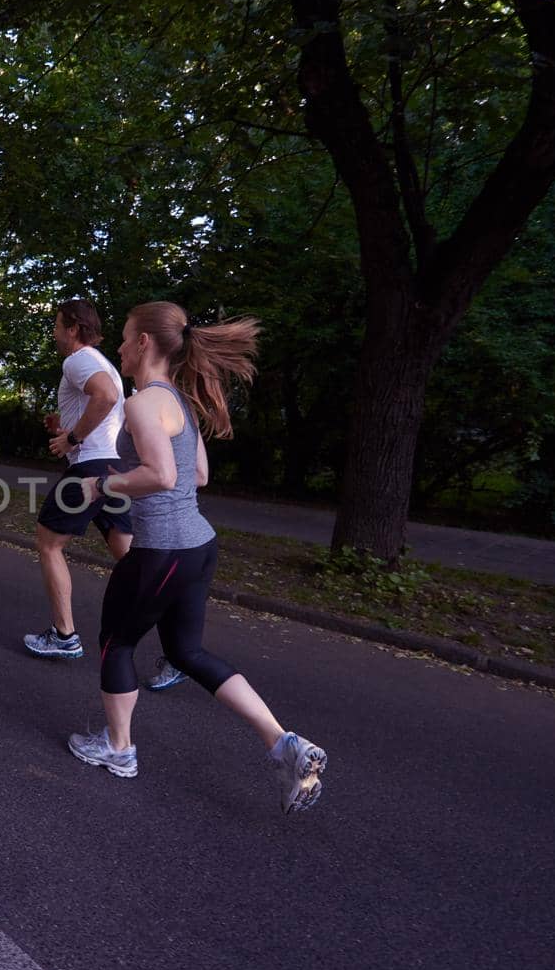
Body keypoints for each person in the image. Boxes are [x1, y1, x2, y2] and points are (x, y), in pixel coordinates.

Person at [64, 301, 327, 814]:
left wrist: (103, 483)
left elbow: (161, 476)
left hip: (161, 551)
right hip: (199, 546)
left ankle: (118, 750)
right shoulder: (179, 401)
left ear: (143, 343)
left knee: (116, 643)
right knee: (186, 652)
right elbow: (199, 475)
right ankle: (284, 743)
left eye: (123, 337)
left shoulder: (142, 404)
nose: (117, 347)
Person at [23, 300, 185, 690]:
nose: (55, 333)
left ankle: (64, 635)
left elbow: (108, 397)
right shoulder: (102, 362)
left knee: (48, 543)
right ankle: (178, 650)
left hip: (89, 470)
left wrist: (74, 438)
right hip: (114, 467)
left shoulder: (78, 360)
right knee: (133, 562)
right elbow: (106, 405)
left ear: (74, 329)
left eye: (58, 325)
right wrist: (65, 425)